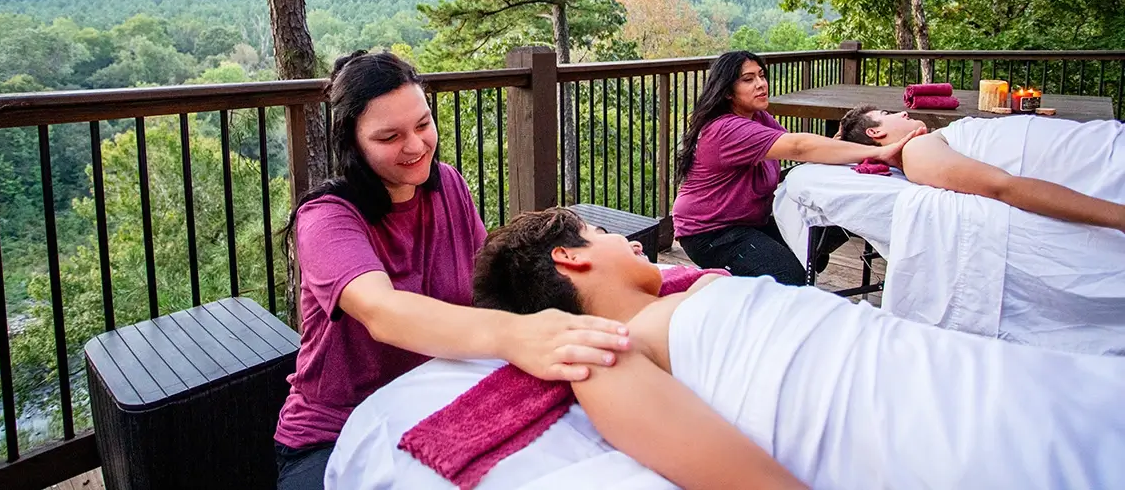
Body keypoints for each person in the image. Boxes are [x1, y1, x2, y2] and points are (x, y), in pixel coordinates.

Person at [469, 208, 1124, 489]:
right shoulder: (608, 353)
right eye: (596, 231)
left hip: (965, 371)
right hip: (945, 433)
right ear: (569, 257)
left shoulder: (686, 295)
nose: (630, 239)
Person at [272, 52, 632, 490]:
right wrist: (513, 336)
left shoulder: (448, 186)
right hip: (333, 433)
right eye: (389, 136)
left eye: (423, 125)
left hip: (437, 402)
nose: (416, 146)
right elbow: (383, 312)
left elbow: (491, 287)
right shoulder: (327, 219)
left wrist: (609, 274)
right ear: (353, 143)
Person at [672, 51, 923, 284]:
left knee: (831, 218)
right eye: (748, 79)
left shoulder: (757, 117)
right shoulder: (725, 130)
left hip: (749, 220)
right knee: (789, 277)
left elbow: (797, 146)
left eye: (761, 75)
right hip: (711, 232)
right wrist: (879, 151)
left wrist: (839, 146)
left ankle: (795, 262)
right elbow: (799, 147)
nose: (760, 84)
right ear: (727, 91)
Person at [838, 105, 1125, 231]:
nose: (903, 112)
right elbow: (1003, 186)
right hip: (1104, 157)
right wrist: (1118, 217)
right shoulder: (916, 151)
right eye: (886, 115)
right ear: (875, 134)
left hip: (1100, 148)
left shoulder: (928, 146)